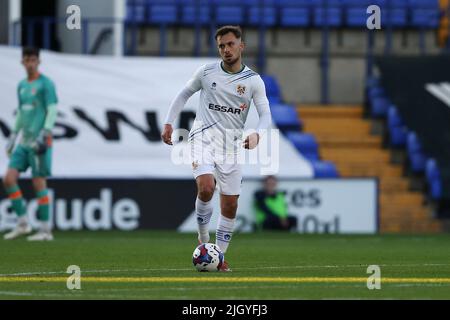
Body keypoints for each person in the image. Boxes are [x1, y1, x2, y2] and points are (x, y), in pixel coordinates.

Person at [161, 26, 272, 271]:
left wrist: (257, 135)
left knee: (230, 205)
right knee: (206, 186)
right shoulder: (207, 71)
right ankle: (203, 242)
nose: (226, 50)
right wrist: (169, 122)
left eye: (231, 44)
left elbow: (265, 115)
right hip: (202, 140)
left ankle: (218, 256)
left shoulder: (253, 81)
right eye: (222, 46)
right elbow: (183, 95)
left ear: (241, 46)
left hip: (230, 148)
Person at [3, 47, 58, 241]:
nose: (30, 63)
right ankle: (23, 224)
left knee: (38, 182)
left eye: (33, 60)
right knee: (9, 178)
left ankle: (44, 230)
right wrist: (12, 136)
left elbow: (52, 109)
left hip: (39, 141)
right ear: (22, 62)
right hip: (24, 141)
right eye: (27, 60)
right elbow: (21, 112)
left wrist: (46, 131)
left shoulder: (46, 84)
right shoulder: (21, 85)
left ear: (39, 61)